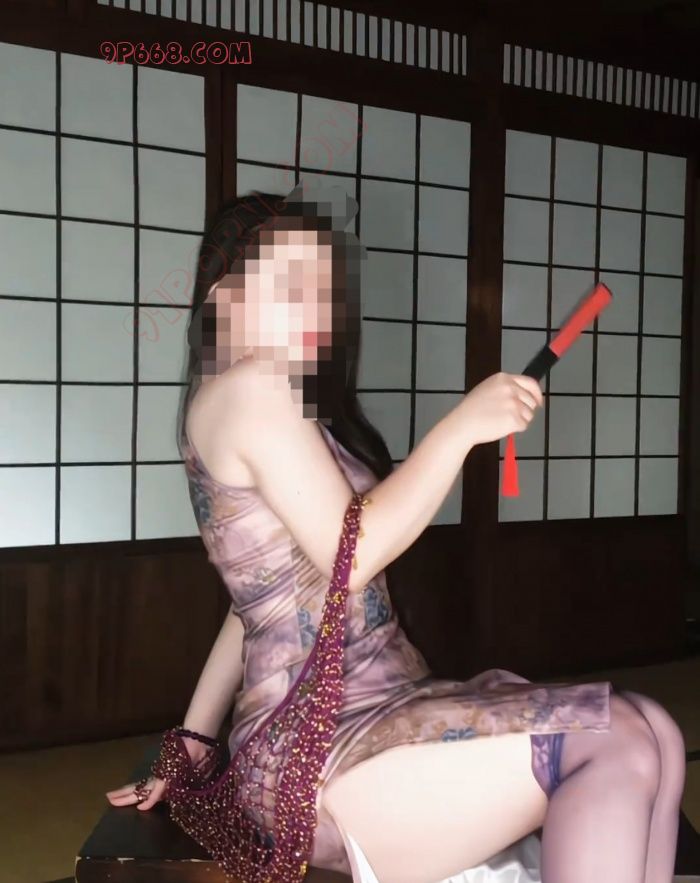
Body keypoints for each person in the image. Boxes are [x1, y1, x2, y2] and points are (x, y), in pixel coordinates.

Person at [107, 187, 686, 883]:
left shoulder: (272, 401)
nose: (317, 308)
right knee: (620, 738)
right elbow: (348, 557)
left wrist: (195, 739)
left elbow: (255, 601)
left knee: (656, 728)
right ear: (222, 300)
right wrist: (461, 428)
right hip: (319, 748)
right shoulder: (250, 386)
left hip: (378, 707)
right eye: (291, 285)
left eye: (326, 289)